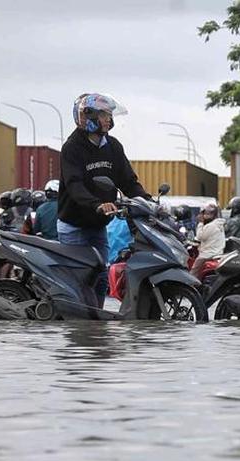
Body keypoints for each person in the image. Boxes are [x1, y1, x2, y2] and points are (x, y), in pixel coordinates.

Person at [58, 92, 150, 306]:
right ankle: (75, 325)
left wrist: (147, 202)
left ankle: (94, 329)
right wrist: (97, 204)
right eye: (103, 114)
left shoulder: (113, 146)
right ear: (88, 116)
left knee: (100, 278)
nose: (108, 119)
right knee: (81, 281)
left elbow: (128, 181)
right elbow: (74, 185)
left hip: (99, 225)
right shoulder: (72, 147)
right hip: (74, 226)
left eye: (109, 114)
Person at [191, 203, 225, 280]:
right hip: (216, 252)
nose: (204, 216)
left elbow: (200, 236)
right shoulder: (218, 224)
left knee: (194, 270)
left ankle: (191, 285)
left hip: (208, 254)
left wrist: (200, 223)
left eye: (206, 214)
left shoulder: (211, 225)